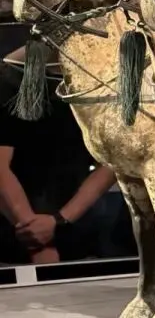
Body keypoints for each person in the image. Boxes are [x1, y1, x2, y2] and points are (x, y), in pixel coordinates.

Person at [0, 55, 123, 265]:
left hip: (72, 231)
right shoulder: (11, 78)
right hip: (13, 236)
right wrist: (37, 242)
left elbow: (114, 160)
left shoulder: (105, 80)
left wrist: (60, 221)